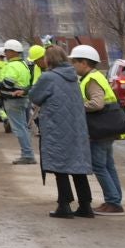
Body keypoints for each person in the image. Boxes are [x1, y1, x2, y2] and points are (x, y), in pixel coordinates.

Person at [28, 44, 94, 218]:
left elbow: (35, 96)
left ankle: (64, 205)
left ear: (49, 60)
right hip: (76, 127)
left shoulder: (48, 77)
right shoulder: (73, 76)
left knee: (60, 165)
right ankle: (85, 205)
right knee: (77, 165)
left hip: (57, 127)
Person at [73, 44, 125, 216]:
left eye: (75, 62)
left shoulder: (91, 79)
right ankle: (114, 200)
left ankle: (113, 203)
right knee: (108, 165)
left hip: (100, 129)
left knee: (99, 166)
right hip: (107, 127)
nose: (73, 65)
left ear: (84, 63)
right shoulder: (95, 76)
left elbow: (97, 104)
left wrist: (77, 106)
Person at [0, 40, 35, 164]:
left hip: (13, 100)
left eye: (6, 51)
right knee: (23, 127)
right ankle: (28, 153)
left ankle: (27, 155)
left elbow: (8, 83)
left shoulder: (12, 66)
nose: (5, 53)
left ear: (12, 52)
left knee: (19, 128)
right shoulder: (23, 64)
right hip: (22, 99)